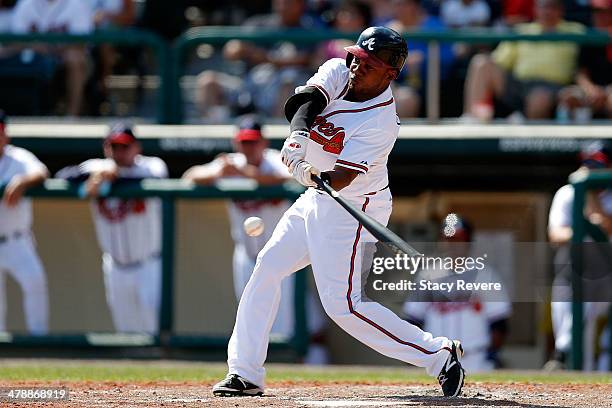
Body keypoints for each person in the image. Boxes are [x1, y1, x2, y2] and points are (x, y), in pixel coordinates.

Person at [212, 26, 465, 398]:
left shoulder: (381, 122)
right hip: (318, 198)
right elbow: (304, 104)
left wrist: (308, 173)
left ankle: (439, 354)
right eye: (358, 58)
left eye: (369, 64)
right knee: (266, 268)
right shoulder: (339, 68)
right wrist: (298, 140)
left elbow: (340, 179)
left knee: (344, 306)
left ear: (390, 74)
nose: (358, 67)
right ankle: (245, 372)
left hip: (354, 205)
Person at [56, 124, 168, 334]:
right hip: (115, 266)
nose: (119, 152)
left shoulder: (151, 166)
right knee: (124, 332)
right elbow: (63, 175)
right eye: (114, 146)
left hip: (147, 264)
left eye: (125, 147)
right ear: (106, 147)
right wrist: (92, 179)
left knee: (153, 331)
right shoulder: (96, 167)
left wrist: (112, 179)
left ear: (137, 148)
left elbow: (153, 180)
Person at [403, 215, 511, 372]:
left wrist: (492, 354)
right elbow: (412, 319)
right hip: (436, 358)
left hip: (475, 359)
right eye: (447, 238)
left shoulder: (485, 275)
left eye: (458, 238)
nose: (452, 244)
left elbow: (499, 323)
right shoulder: (428, 275)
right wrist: (412, 354)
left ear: (468, 241)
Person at [196, 0, 318, 122]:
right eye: (280, 2)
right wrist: (250, 52)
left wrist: (266, 58)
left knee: (288, 81)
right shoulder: (259, 23)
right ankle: (215, 133)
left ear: (300, 5)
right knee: (208, 81)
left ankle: (277, 135)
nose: (282, 6)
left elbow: (312, 60)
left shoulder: (311, 28)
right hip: (250, 85)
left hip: (283, 90)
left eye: (288, 2)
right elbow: (231, 51)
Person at [546, 141, 611, 370]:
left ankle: (562, 353)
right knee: (574, 326)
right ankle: (567, 361)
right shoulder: (567, 193)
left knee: (586, 311)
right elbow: (555, 235)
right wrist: (584, 229)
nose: (591, 171)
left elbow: (608, 228)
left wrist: (591, 197)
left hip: (604, 277)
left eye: (598, 166)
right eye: (588, 165)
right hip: (569, 274)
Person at [462, 0, 585, 121]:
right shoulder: (522, 31)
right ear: (536, 9)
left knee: (539, 97)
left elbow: (588, 61)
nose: (547, 11)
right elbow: (500, 59)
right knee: (481, 63)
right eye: (543, 7)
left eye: (552, 7)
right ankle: (471, 118)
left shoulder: (575, 31)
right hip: (520, 84)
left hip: (553, 87)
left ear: (561, 10)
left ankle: (527, 131)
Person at [0, 109, 50, 335]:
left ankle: (40, 345)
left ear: (5, 134)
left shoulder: (18, 158)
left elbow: (42, 172)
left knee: (35, 283)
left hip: (17, 240)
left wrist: (22, 181)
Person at [10, 0, 94, 116]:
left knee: (75, 58)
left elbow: (80, 42)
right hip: (33, 56)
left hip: (64, 57)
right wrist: (42, 47)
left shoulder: (77, 4)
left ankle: (72, 115)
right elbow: (15, 39)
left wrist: (51, 49)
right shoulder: (26, 3)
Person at [386, 0, 456, 118]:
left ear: (414, 5)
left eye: (402, 4)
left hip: (430, 84)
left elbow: (449, 56)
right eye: (395, 5)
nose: (398, 9)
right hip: (396, 83)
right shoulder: (388, 30)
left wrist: (423, 58)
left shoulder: (434, 25)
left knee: (405, 99)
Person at [557, 0, 612, 122]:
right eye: (596, 12)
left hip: (609, 90)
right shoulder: (588, 37)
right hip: (590, 88)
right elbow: (580, 72)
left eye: (604, 12)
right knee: (569, 97)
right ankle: (576, 139)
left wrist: (606, 92)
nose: (599, 16)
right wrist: (590, 89)